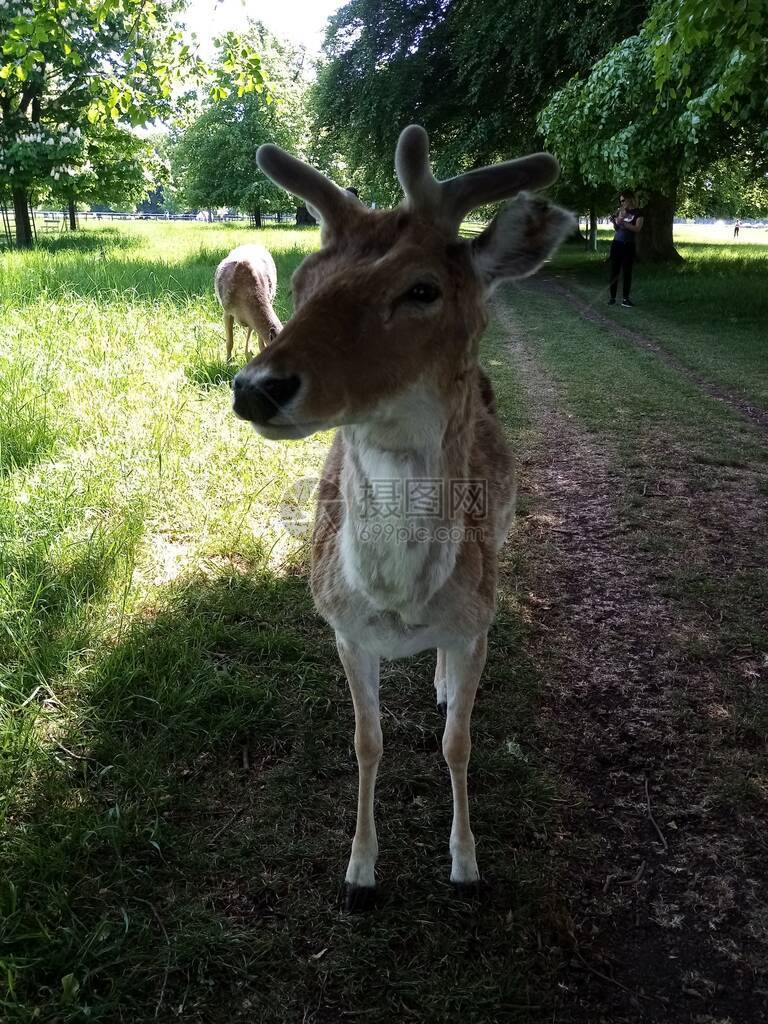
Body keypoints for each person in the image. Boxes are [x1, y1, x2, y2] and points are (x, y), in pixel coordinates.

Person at [608, 190, 644, 307]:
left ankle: (625, 299)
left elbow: (637, 228)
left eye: (623, 200)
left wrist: (625, 224)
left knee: (627, 272)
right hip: (617, 243)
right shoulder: (620, 211)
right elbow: (618, 228)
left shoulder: (638, 213)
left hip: (629, 245)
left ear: (630, 199)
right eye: (620, 201)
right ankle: (612, 298)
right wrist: (615, 222)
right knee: (614, 271)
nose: (622, 202)